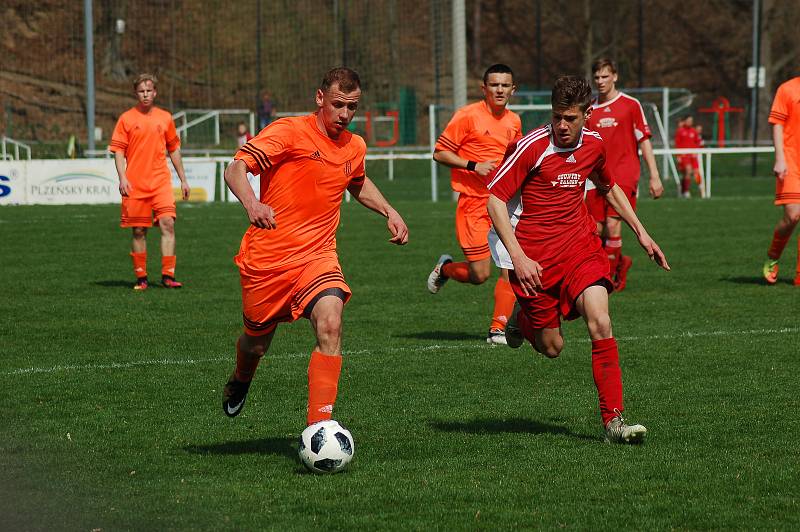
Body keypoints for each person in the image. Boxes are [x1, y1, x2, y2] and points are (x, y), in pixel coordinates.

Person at [486, 75, 670, 443]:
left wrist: (642, 232)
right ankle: (523, 320)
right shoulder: (531, 147)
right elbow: (494, 200)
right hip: (534, 259)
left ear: (587, 114)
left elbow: (608, 186)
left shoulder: (595, 145)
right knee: (552, 348)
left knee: (601, 321)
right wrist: (518, 257)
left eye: (570, 118)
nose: (562, 126)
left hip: (580, 248)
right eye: (556, 117)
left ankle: (613, 422)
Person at [222, 67, 409, 427]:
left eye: (352, 107)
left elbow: (356, 181)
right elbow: (235, 169)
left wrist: (389, 210)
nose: (344, 114)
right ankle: (242, 378)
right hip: (268, 260)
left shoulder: (355, 146)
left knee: (331, 324)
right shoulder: (289, 131)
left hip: (317, 257)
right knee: (256, 345)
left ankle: (319, 427)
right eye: (338, 104)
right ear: (319, 98)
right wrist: (252, 205)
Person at [427, 64, 522, 345]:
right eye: (494, 85)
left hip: (501, 203)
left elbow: (515, 159)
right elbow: (439, 152)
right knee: (479, 274)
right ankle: (445, 269)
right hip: (472, 205)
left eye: (505, 85)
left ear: (513, 90)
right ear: (484, 88)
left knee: (510, 265)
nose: (500, 90)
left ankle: (497, 330)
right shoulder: (467, 116)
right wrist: (473, 164)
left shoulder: (514, 121)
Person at [585, 58, 663, 292]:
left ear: (615, 77)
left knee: (613, 224)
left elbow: (644, 141)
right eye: (597, 77)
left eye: (605, 76)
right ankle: (619, 263)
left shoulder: (630, 105)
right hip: (596, 177)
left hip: (625, 174)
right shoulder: (590, 109)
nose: (600, 81)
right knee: (596, 230)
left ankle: (607, 280)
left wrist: (654, 175)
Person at [109, 73, 190, 291]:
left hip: (161, 182)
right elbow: (118, 150)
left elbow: (174, 150)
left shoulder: (165, 118)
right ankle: (141, 278)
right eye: (141, 91)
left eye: (149, 90)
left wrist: (183, 180)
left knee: (168, 224)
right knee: (138, 231)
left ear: (155, 92)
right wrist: (122, 177)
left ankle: (168, 275)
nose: (145, 94)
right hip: (135, 184)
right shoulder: (126, 119)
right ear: (136, 93)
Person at [763, 76, 800, 286]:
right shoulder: (788, 89)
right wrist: (780, 159)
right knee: (793, 215)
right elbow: (777, 124)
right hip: (792, 163)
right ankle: (773, 255)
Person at [674, 114, 704, 198]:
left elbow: (698, 142)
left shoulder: (693, 131)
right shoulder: (680, 131)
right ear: (685, 121)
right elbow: (677, 143)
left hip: (692, 156)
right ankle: (686, 192)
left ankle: (700, 188)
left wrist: (697, 150)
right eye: (689, 120)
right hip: (684, 156)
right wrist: (678, 156)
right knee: (688, 170)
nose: (690, 122)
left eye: (691, 121)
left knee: (696, 172)